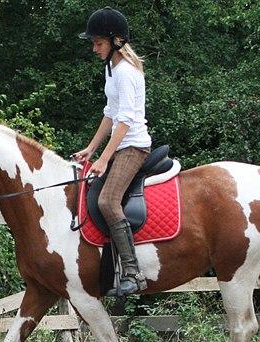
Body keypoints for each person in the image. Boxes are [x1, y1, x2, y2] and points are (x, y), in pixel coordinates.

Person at [74, 7, 152, 296]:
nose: (94, 48)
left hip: (133, 147)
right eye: (93, 43)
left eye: (98, 43)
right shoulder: (112, 71)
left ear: (116, 41)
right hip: (121, 144)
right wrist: (91, 149)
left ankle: (132, 272)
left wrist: (104, 159)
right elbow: (110, 113)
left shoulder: (126, 74)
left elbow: (125, 121)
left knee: (107, 201)